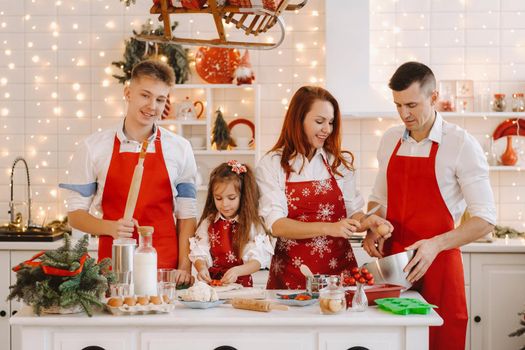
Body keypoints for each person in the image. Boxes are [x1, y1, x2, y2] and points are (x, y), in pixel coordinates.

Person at [363, 62, 496, 350]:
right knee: (389, 342)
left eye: (411, 104)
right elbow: (379, 199)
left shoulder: (460, 144)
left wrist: (434, 245)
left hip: (440, 265)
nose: (404, 114)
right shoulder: (389, 140)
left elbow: (485, 219)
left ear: (433, 97)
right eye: (398, 105)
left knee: (440, 341)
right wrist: (373, 227)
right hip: (393, 267)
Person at [60, 59, 197, 285]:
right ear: (128, 92)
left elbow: (187, 216)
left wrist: (184, 266)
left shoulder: (180, 148)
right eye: (145, 95)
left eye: (160, 99)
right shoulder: (93, 147)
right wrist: (109, 227)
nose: (152, 106)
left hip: (164, 268)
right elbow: (75, 215)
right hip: (113, 267)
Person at [256, 86, 392, 290]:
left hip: (339, 275)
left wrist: (366, 222)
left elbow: (352, 212)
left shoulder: (339, 163)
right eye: (319, 121)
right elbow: (277, 225)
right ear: (298, 119)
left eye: (330, 122)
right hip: (292, 276)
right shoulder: (272, 164)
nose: (327, 129)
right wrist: (329, 227)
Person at [189, 160, 273, 287]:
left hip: (241, 287)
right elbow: (200, 251)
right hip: (213, 286)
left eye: (231, 198)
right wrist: (201, 268)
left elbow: (258, 260)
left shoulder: (252, 225)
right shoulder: (208, 223)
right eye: (218, 198)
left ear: (243, 196)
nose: (224, 204)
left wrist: (237, 271)